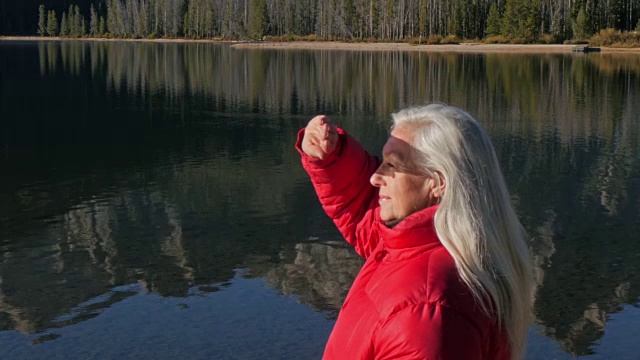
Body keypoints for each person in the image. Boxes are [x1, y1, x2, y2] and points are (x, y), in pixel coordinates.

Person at [296, 104, 534, 360]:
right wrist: (331, 157)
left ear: (438, 182)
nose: (376, 178)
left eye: (392, 165)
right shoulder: (425, 247)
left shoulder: (427, 312)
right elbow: (365, 211)